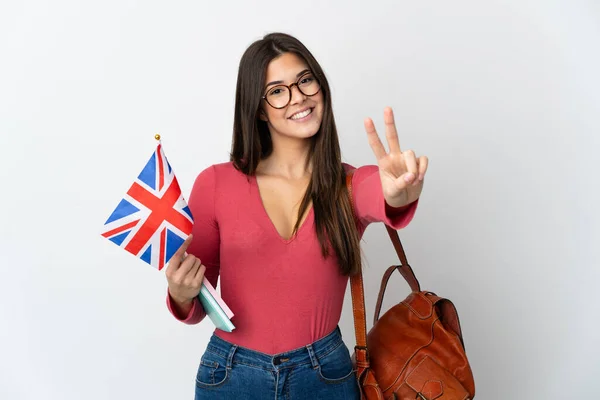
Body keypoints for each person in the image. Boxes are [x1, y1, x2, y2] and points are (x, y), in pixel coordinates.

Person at [164, 32, 427, 400]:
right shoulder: (214, 184)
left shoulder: (349, 183)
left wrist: (400, 193)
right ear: (258, 108)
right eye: (277, 90)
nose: (298, 97)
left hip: (324, 376)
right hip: (231, 374)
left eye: (305, 80)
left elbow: (381, 193)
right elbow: (197, 302)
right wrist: (179, 294)